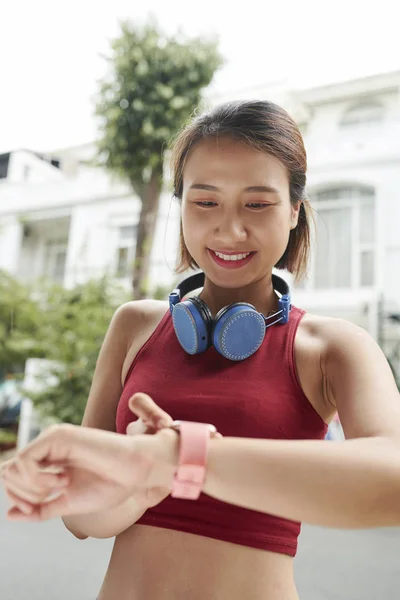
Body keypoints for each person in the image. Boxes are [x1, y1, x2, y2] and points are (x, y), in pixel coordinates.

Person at [2, 100, 400, 600]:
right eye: (205, 202)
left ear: (295, 210)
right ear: (182, 204)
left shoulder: (333, 347)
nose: (229, 231)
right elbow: (85, 521)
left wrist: (179, 458)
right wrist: (139, 478)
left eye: (257, 204)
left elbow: (393, 479)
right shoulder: (134, 325)